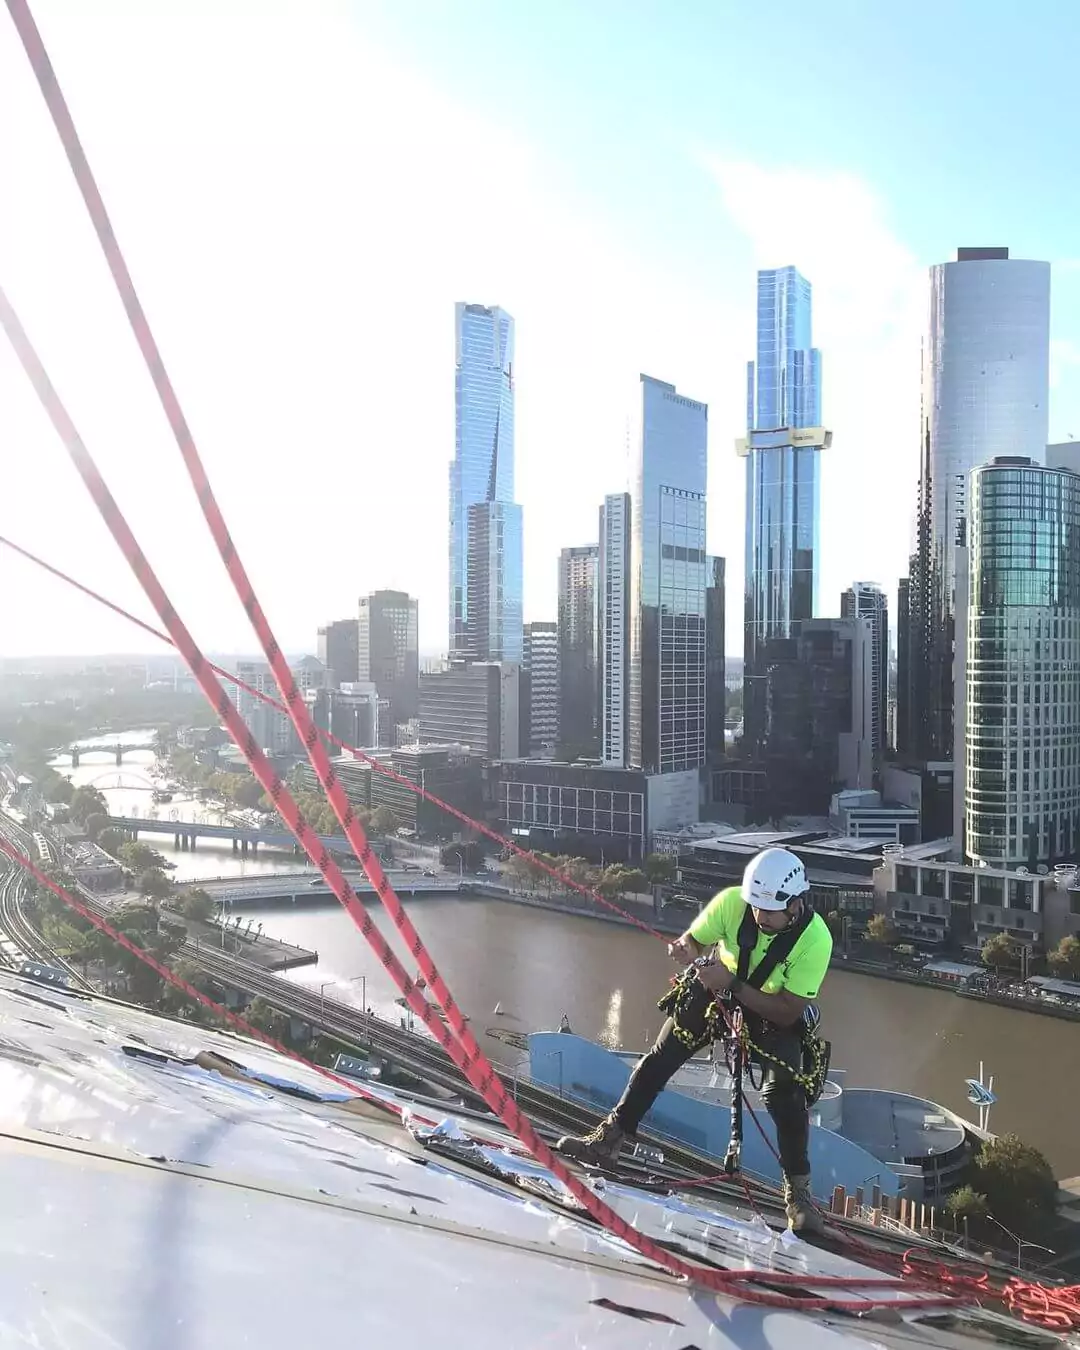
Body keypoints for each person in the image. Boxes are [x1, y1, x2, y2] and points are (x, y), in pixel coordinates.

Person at [556, 846, 833, 1234]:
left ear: (794, 905)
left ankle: (799, 1196)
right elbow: (696, 940)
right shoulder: (732, 904)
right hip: (718, 989)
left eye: (768, 910)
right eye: (754, 906)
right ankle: (609, 1140)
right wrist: (687, 949)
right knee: (661, 1057)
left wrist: (732, 982)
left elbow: (787, 1010)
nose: (758, 915)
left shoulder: (815, 939)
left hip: (771, 1008)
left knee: (785, 1094)